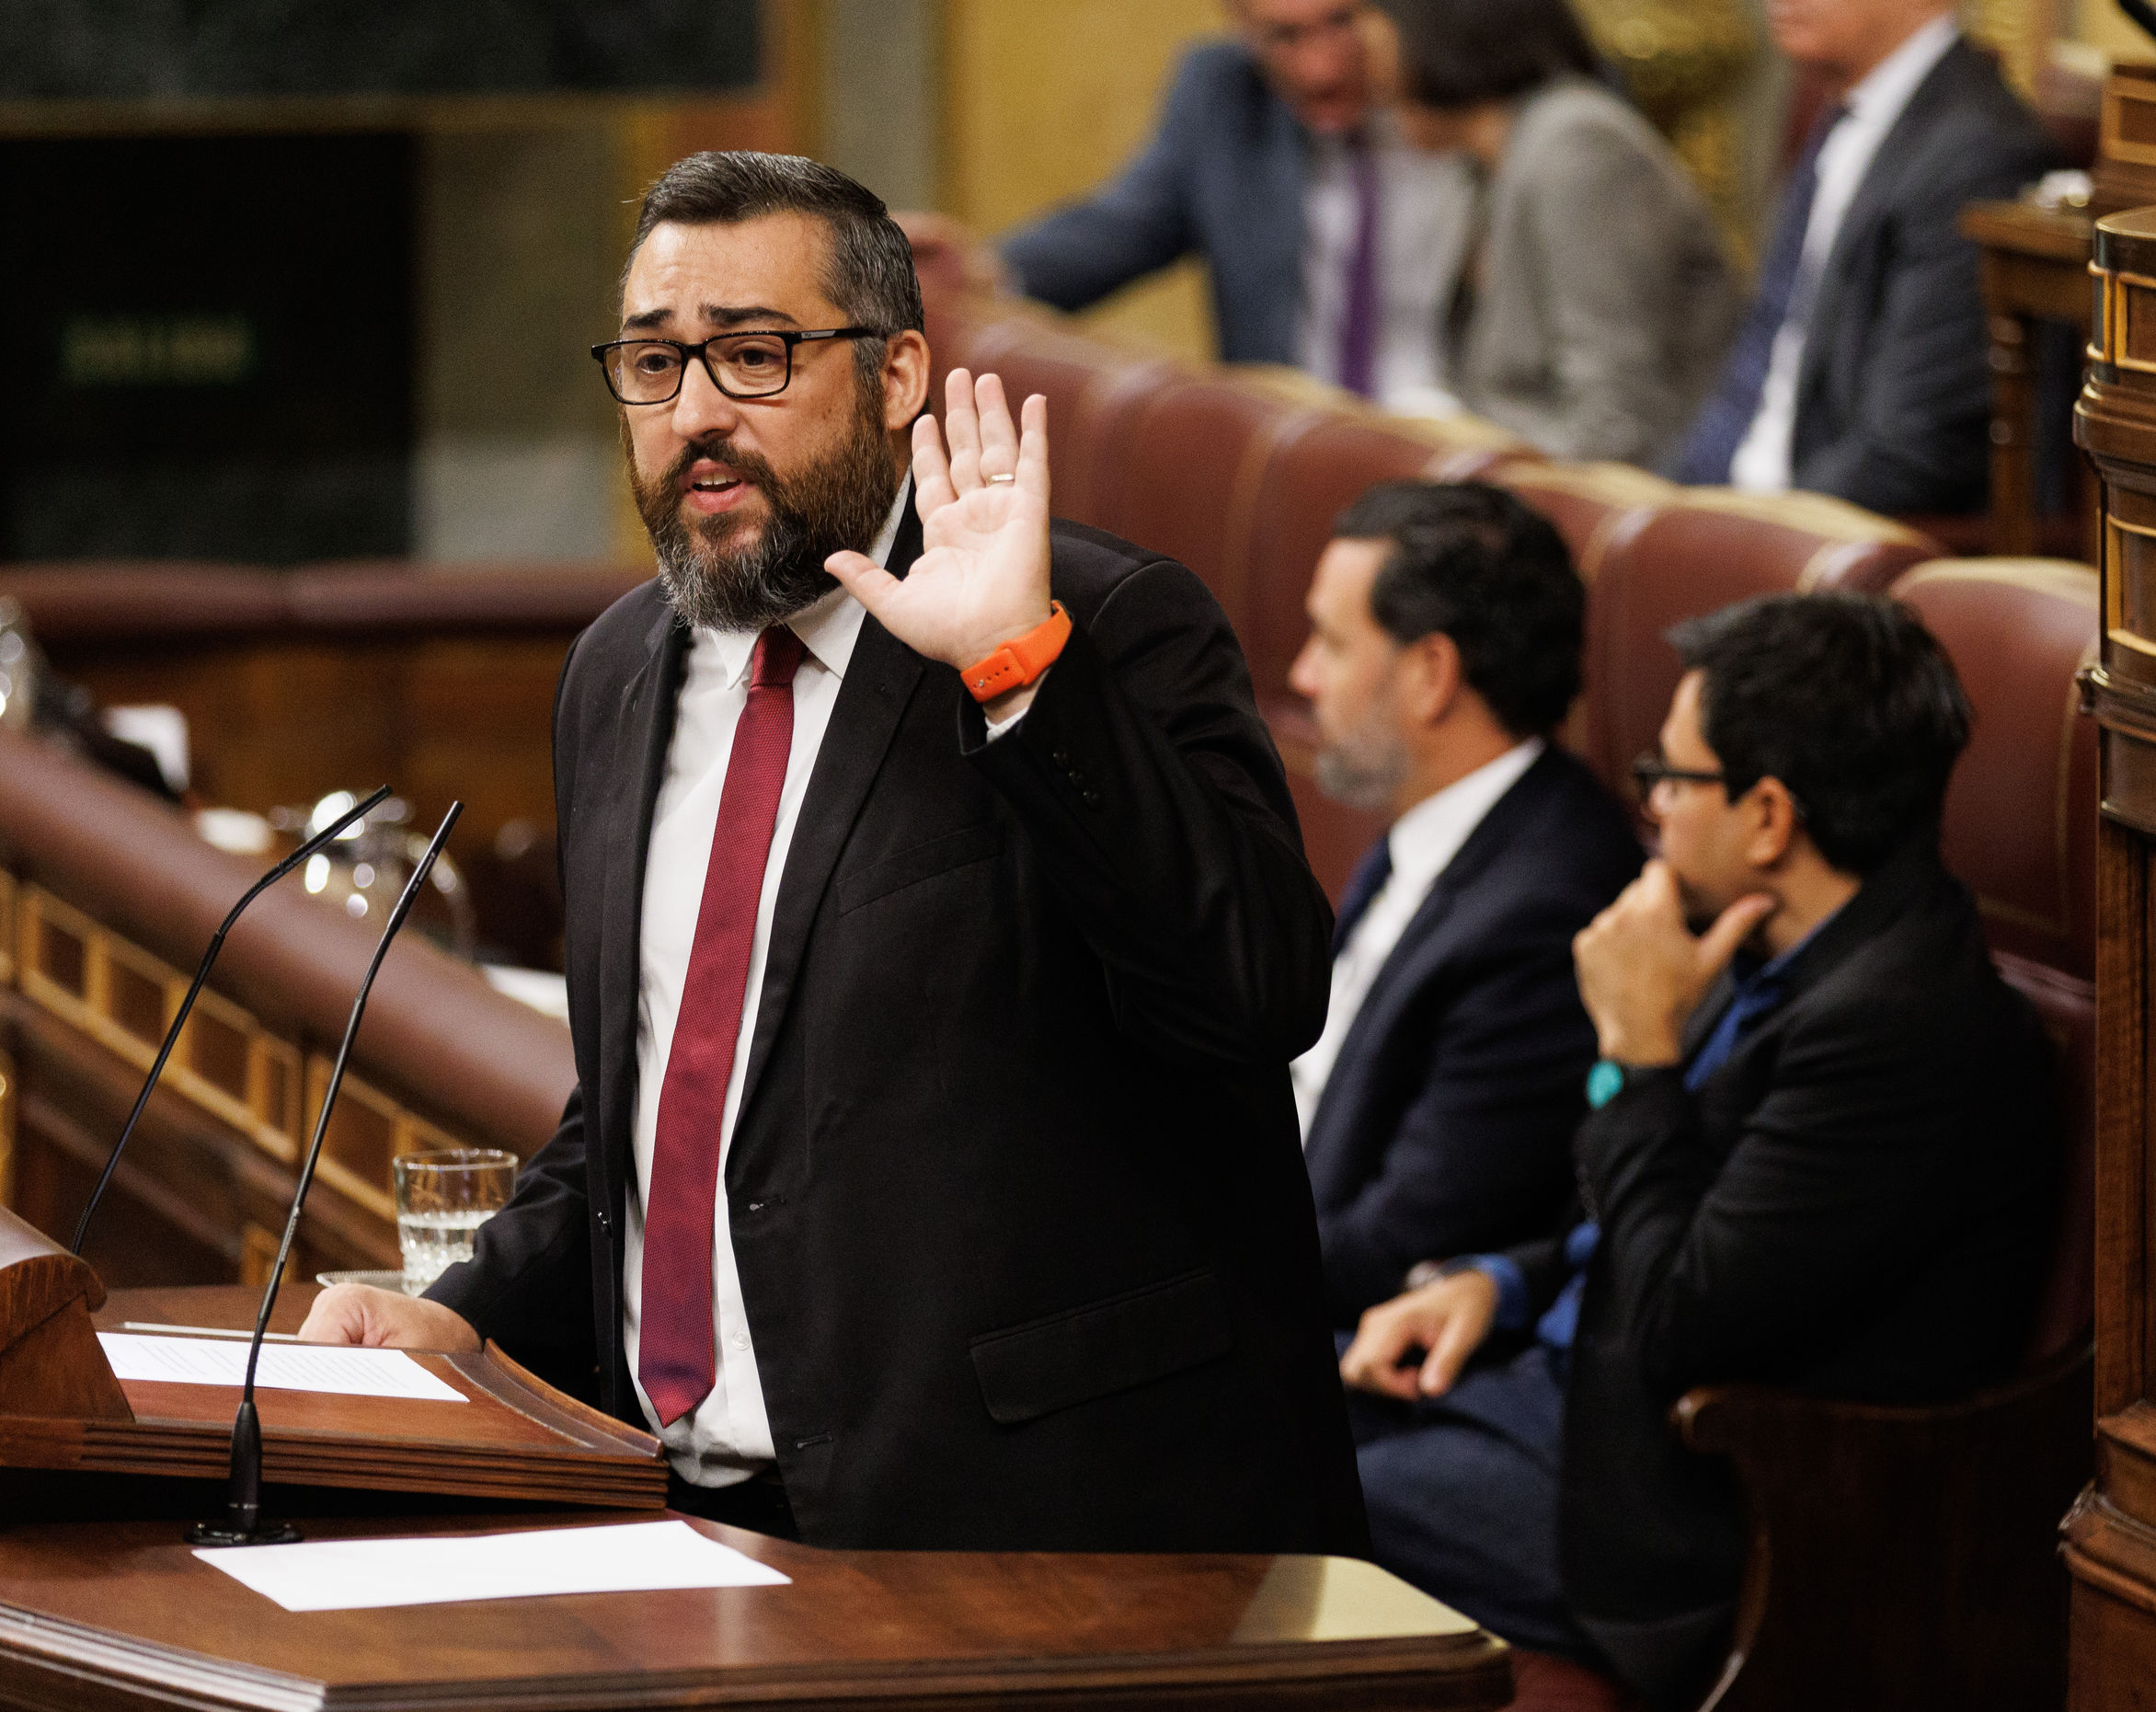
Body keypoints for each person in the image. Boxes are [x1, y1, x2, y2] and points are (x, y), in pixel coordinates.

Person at [301, 150, 1369, 1559]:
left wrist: (1018, 671)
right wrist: (467, 1315)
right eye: (654, 364)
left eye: (754, 356)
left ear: (897, 373)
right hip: (683, 1513)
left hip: (1041, 1539)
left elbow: (1255, 991)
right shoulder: (616, 672)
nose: (695, 415)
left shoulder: (1098, 624)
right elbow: (657, 1110)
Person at [1339, 592, 2058, 1706]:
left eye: (1671, 776)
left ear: (1768, 816)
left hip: (1666, 1501)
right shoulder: (1761, 934)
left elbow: (1682, 1315)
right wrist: (1501, 1281)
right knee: (1229, 1404)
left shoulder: (1903, 1028)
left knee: (1271, 1484)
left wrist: (1635, 1050)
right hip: (1559, 1390)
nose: (1654, 807)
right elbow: (1648, 1211)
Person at [1287, 482, 1641, 1324]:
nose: (1302, 674)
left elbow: (1395, 1247)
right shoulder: (1439, 817)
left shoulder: (1545, 912)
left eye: (1332, 642)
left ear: (1431, 674)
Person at [1674, 0, 2060, 515]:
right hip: (1752, 507)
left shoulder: (1977, 149)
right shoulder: (1844, 114)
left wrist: (1748, 531)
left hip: (1833, 531)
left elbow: (1911, 449)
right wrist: (1670, 506)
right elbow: (1756, 366)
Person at [997, 0, 1475, 411]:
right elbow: (1118, 230)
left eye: (1341, 22)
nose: (1320, 69)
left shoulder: (1470, 92)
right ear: (1241, 25)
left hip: (1462, 440)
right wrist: (986, 272)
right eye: (1284, 36)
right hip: (1298, 441)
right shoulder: (1224, 93)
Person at [1362, 0, 1737, 465]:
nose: (1367, 74)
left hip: (1632, 488)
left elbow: (1618, 421)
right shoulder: (1487, 164)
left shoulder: (1576, 145)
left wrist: (1470, 457)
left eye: (1375, 37)